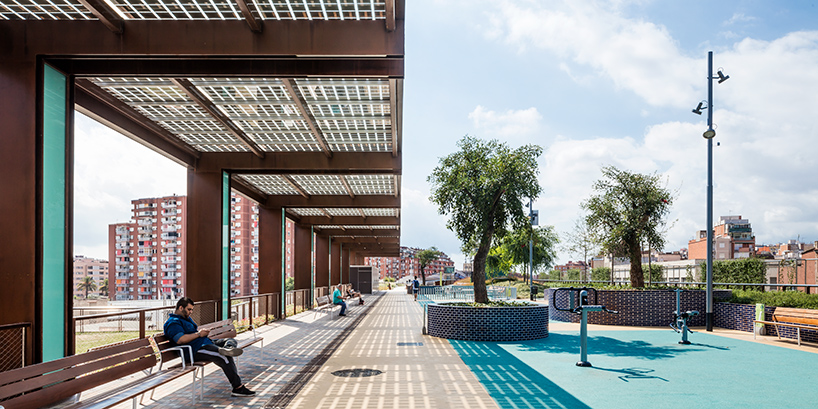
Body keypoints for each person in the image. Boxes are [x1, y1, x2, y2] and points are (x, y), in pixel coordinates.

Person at [164, 297, 255, 397]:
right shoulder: (173, 322)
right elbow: (180, 339)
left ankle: (228, 348)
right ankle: (237, 388)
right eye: (189, 309)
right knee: (223, 356)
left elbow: (193, 333)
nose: (191, 312)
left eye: (192, 310)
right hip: (194, 351)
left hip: (205, 344)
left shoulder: (186, 318)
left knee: (230, 340)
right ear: (181, 308)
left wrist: (202, 333)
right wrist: (199, 334)